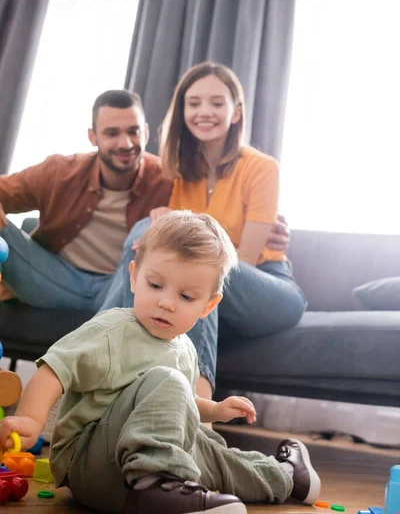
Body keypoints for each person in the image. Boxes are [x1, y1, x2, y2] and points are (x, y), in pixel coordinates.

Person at [0, 211, 320, 513]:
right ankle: (159, 484)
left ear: (208, 306)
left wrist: (216, 410)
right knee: (169, 384)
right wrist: (31, 418)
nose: (166, 303)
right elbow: (55, 368)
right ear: (134, 277)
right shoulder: (113, 329)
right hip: (92, 463)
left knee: (211, 453)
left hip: (139, 480)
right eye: (155, 285)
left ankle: (289, 478)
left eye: (186, 297)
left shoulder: (185, 349)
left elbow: (183, 403)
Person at [110, 62, 306, 400]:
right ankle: (120, 377)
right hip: (214, 294)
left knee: (202, 267)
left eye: (217, 103)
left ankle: (194, 408)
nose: (204, 111)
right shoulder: (183, 174)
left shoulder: (262, 168)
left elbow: (242, 259)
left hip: (268, 289)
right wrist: (162, 223)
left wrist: (174, 229)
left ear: (236, 112)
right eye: (194, 102)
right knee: (161, 247)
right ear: (182, 110)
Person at [0, 89, 288, 311]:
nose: (125, 143)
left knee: (146, 227)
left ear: (146, 132)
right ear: (93, 136)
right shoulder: (60, 172)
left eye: (133, 131)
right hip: (54, 277)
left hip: (124, 285)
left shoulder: (169, 179)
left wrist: (267, 228)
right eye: (112, 133)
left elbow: (208, 221)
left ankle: (102, 343)